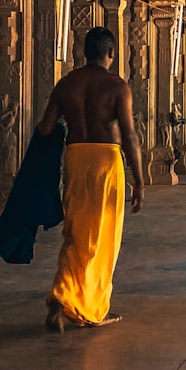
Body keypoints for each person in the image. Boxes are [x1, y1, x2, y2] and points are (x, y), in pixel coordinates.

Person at [41, 26, 144, 331]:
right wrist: (139, 179)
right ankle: (90, 308)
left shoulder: (66, 84)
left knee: (76, 231)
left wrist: (68, 118)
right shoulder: (117, 86)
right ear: (111, 53)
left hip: (75, 158)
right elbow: (128, 135)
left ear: (83, 53)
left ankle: (63, 299)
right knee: (102, 237)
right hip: (105, 161)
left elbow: (45, 128)